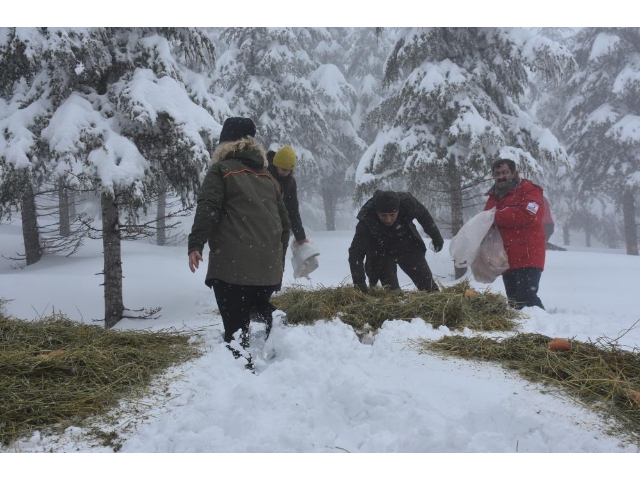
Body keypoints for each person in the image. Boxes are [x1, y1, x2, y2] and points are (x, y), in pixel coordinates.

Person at [188, 117, 291, 369]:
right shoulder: (269, 179)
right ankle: (268, 318)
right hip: (267, 270)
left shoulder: (222, 171)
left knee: (235, 332)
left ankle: (241, 376)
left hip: (232, 269)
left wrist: (196, 244)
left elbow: (208, 208)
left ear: (224, 143)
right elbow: (285, 226)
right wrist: (277, 263)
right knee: (255, 309)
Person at [348, 190, 444, 292]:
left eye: (392, 214)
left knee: (428, 286)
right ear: (377, 212)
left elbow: (424, 216)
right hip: (381, 252)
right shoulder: (366, 220)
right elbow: (356, 253)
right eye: (383, 215)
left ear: (398, 210)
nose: (388, 219)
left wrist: (436, 236)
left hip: (406, 242)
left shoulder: (407, 203)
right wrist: (359, 283)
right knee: (391, 295)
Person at [483, 159, 545, 310]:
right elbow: (486, 220)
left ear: (515, 173)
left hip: (527, 255)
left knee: (527, 300)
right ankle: (526, 331)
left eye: (505, 172)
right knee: (514, 303)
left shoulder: (529, 190)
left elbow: (527, 214)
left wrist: (495, 216)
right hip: (507, 258)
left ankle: (544, 328)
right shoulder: (494, 196)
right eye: (497, 174)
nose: (501, 177)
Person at [266, 146, 308, 247]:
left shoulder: (290, 182)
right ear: (276, 165)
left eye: (290, 170)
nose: (287, 173)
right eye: (284, 170)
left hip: (281, 229)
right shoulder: (264, 176)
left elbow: (293, 210)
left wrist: (300, 236)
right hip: (264, 227)